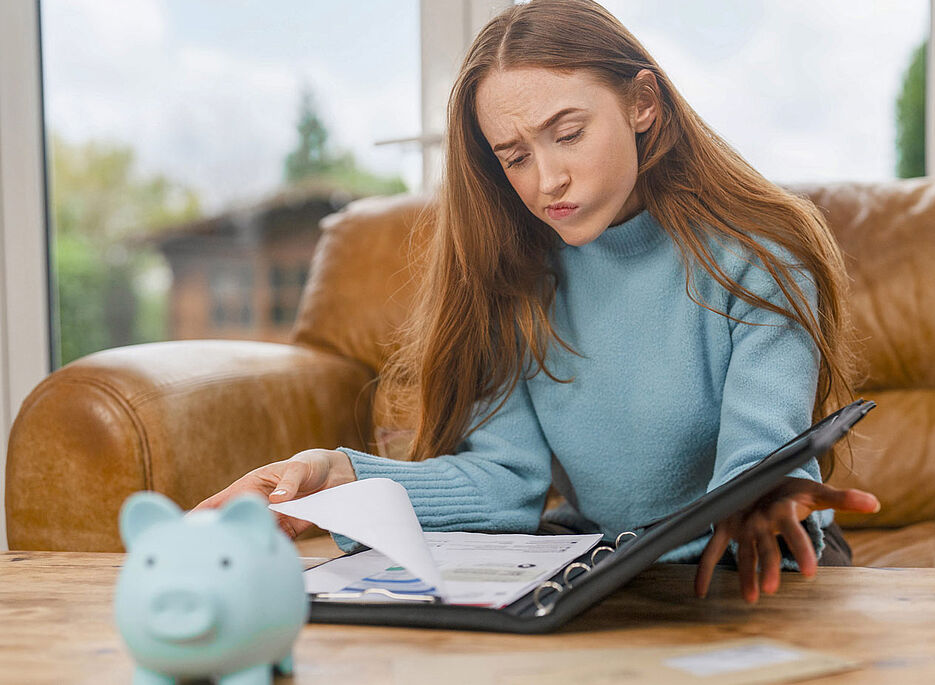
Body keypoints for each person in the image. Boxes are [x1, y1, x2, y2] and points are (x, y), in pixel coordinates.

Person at [194, 0, 881, 605]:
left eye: (569, 132)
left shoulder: (761, 257)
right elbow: (505, 483)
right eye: (514, 155)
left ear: (643, 103)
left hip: (746, 565)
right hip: (607, 572)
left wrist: (768, 497)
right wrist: (337, 476)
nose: (547, 178)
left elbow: (761, 463)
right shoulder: (514, 276)